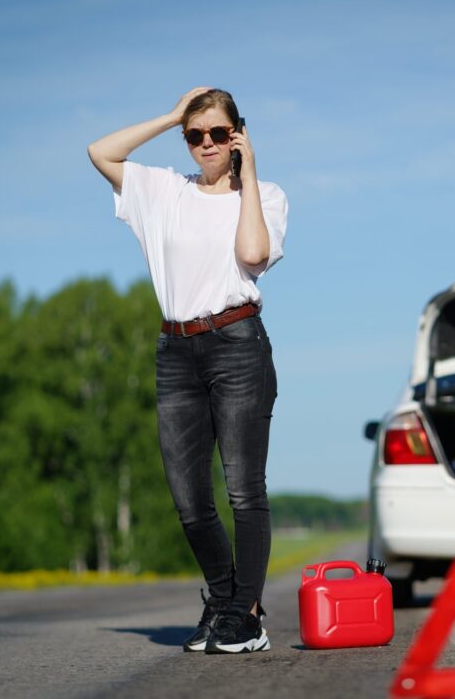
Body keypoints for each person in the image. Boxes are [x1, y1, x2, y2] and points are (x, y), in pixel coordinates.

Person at [87, 87, 287, 654]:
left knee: (244, 489)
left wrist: (249, 175)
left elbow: (251, 255)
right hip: (175, 351)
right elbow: (100, 151)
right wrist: (173, 113)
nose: (206, 144)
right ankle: (223, 603)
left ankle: (246, 615)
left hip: (238, 345)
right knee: (188, 498)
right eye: (195, 135)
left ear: (237, 136)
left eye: (219, 134)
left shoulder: (266, 195)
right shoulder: (161, 192)